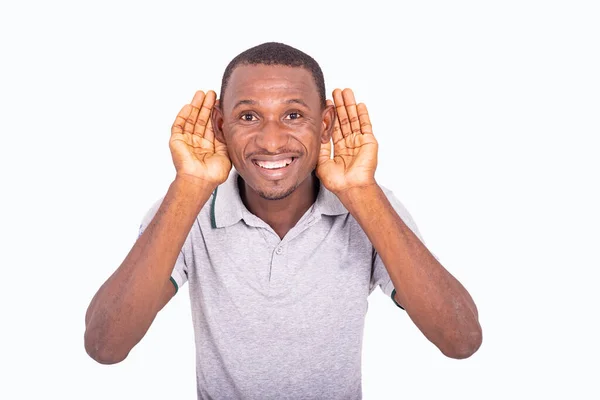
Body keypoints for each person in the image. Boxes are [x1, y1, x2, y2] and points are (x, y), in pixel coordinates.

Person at [84, 42, 482, 399]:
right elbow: (105, 346)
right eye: (249, 117)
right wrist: (189, 185)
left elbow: (461, 339)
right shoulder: (186, 207)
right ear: (221, 127)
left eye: (293, 115)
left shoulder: (370, 207)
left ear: (325, 125)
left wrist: (361, 191)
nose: (271, 142)